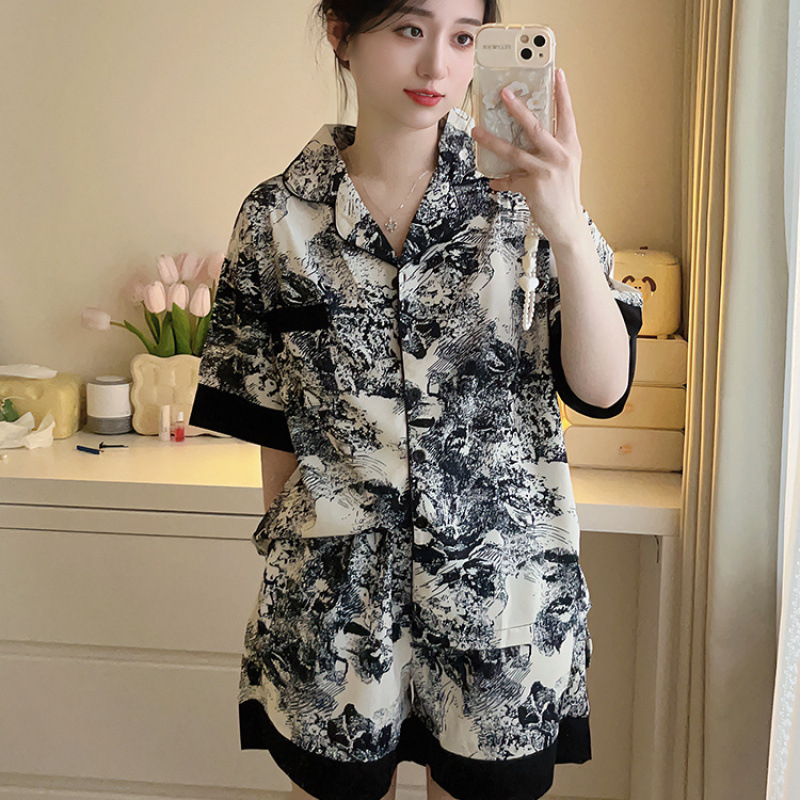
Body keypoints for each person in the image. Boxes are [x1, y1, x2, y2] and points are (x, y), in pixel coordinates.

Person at [189, 1, 643, 799]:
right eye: (409, 29)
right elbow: (273, 432)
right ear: (341, 33)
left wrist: (566, 224)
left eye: (463, 36)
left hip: (501, 609)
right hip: (336, 615)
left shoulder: (526, 200)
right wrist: (305, 575)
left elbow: (604, 389)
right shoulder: (277, 217)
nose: (438, 65)